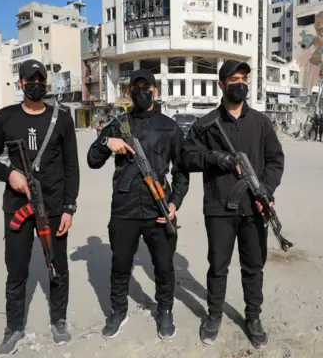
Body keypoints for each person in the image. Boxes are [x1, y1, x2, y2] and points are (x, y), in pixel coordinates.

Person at [180, 60, 285, 348]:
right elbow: (187, 157)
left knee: (253, 266)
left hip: (254, 208)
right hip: (218, 208)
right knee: (218, 266)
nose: (240, 84)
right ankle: (214, 315)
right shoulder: (205, 125)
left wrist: (267, 189)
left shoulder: (261, 123)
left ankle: (253, 317)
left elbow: (276, 160)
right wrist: (217, 158)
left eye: (244, 79)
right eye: (234, 79)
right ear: (221, 85)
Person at [0, 59, 80, 356]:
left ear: (46, 82)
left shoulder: (61, 118)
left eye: (40, 78)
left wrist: (70, 208)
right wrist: (9, 173)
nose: (35, 83)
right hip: (18, 205)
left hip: (54, 205)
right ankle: (14, 328)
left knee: (57, 266)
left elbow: (71, 166)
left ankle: (58, 320)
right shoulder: (4, 118)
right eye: (29, 78)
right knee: (17, 269)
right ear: (20, 83)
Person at [87, 68, 190, 340]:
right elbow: (92, 160)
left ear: (155, 90)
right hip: (124, 209)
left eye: (147, 87)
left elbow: (181, 171)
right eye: (137, 87)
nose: (142, 91)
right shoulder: (118, 125)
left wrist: (175, 202)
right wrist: (107, 142)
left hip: (159, 208)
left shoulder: (169, 126)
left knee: (164, 266)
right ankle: (118, 312)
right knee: (120, 265)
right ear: (130, 91)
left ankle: (165, 311)